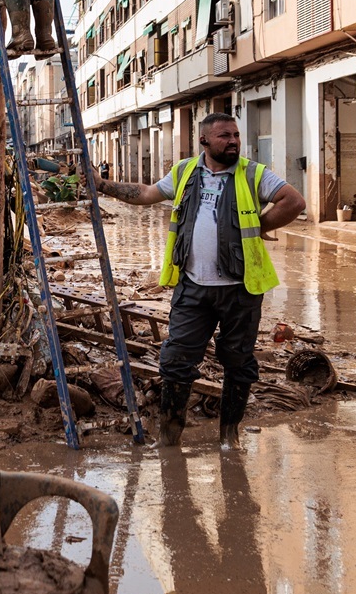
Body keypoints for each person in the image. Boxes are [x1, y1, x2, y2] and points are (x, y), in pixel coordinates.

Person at [93, 113, 305, 447]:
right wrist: (102, 185)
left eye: (236, 134)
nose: (233, 141)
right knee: (176, 362)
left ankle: (229, 437)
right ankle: (169, 439)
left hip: (241, 288)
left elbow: (293, 201)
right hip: (192, 287)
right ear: (204, 140)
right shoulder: (185, 171)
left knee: (238, 363)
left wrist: (257, 228)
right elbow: (147, 193)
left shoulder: (253, 173)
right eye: (224, 136)